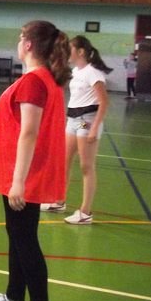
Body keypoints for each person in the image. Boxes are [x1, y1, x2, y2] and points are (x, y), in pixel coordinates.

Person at [0, 20, 70, 301]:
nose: (18, 42)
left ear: (28, 44)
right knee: (17, 234)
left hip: (24, 174)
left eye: (20, 37)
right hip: (20, 170)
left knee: (26, 239)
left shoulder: (34, 82)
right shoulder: (43, 79)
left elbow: (29, 133)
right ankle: (15, 297)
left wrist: (19, 181)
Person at [42, 35, 111, 224]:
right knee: (64, 161)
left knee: (86, 166)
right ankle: (58, 201)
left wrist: (94, 128)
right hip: (73, 120)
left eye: (70, 49)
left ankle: (85, 212)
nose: (66, 53)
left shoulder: (93, 73)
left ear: (80, 51)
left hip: (86, 121)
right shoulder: (75, 71)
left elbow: (104, 102)